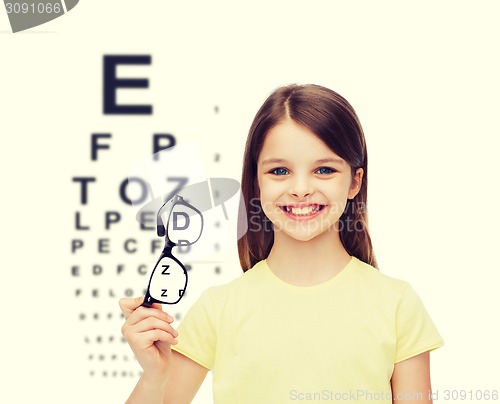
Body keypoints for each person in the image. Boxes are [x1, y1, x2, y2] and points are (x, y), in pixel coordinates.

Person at [119, 84, 444, 404]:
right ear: (256, 181)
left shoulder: (397, 304)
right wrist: (154, 376)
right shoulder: (217, 309)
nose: (301, 188)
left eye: (324, 169)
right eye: (279, 170)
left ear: (354, 182)